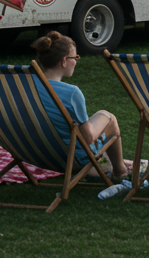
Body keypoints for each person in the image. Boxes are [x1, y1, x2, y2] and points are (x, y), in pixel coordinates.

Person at [32, 31, 131, 181]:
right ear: (64, 61)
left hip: (37, 153)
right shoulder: (71, 93)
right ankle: (120, 170)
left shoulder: (27, 86)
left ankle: (111, 166)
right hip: (70, 157)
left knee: (91, 122)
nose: (77, 62)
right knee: (109, 118)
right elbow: (89, 138)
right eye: (75, 57)